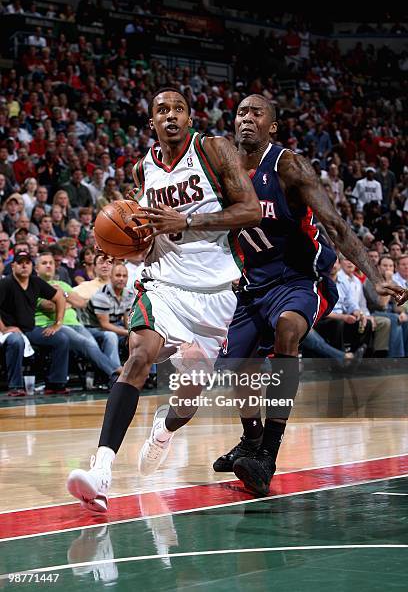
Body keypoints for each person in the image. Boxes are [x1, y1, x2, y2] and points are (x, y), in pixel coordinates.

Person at [67, 87, 261, 512]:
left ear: (189, 118)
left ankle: (164, 431)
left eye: (178, 109)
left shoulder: (214, 150)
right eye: (161, 110)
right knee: (139, 356)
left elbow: (250, 210)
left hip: (218, 295)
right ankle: (101, 469)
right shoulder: (143, 170)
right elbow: (145, 234)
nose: (170, 115)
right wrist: (122, 246)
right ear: (151, 122)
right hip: (164, 285)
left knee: (188, 395)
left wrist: (188, 219)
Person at [211, 94, 406, 496]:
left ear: (272, 126)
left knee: (287, 330)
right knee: (236, 366)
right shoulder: (222, 168)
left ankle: (268, 455)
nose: (247, 118)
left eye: (256, 113)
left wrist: (373, 276)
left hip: (303, 278)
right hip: (254, 283)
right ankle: (251, 440)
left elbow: (334, 222)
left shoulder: (288, 166)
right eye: (241, 112)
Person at [34, 252, 122, 382]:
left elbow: (81, 303)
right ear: (36, 269)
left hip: (76, 324)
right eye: (44, 263)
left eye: (51, 263)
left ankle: (110, 377)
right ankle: (117, 372)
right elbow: (50, 306)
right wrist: (66, 301)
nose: (48, 266)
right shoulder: (34, 285)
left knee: (104, 339)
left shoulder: (62, 284)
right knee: (87, 343)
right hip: (55, 325)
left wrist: (62, 294)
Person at [0, 250, 69, 394]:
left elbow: (60, 298)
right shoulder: (5, 283)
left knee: (61, 339)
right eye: (20, 263)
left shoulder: (36, 282)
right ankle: (15, 386)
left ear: (31, 266)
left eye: (27, 263)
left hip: (29, 330)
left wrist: (58, 323)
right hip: (6, 331)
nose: (24, 266)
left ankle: (56, 384)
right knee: (16, 341)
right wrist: (4, 328)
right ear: (13, 266)